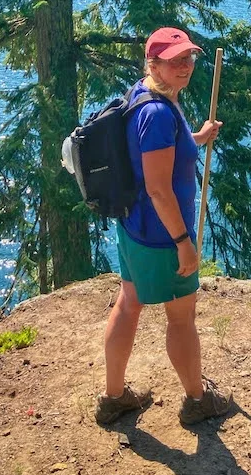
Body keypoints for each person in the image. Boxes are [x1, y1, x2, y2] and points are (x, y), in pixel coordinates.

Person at [95, 27, 233, 427]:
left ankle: (114, 398)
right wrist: (183, 242)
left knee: (130, 302)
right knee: (181, 317)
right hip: (160, 235)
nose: (186, 66)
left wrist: (196, 138)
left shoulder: (146, 94)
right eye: (176, 60)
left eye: (189, 58)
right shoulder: (157, 113)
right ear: (153, 63)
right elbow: (158, 188)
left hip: (134, 225)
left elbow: (156, 153)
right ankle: (197, 400)